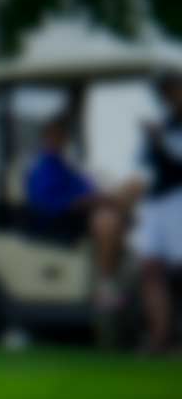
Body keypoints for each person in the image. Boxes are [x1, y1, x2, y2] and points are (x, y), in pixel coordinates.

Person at [24, 116, 130, 293]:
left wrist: (101, 196)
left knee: (130, 190)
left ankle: (123, 269)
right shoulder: (42, 167)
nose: (60, 140)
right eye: (55, 136)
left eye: (61, 136)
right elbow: (50, 203)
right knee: (107, 222)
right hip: (59, 220)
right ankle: (105, 284)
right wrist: (93, 200)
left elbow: (86, 186)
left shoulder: (62, 163)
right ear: (46, 138)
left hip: (77, 212)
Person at [136, 70, 182, 353]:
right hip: (157, 201)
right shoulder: (164, 124)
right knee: (152, 269)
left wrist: (159, 140)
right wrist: (152, 140)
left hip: (178, 198)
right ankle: (160, 337)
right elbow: (145, 162)